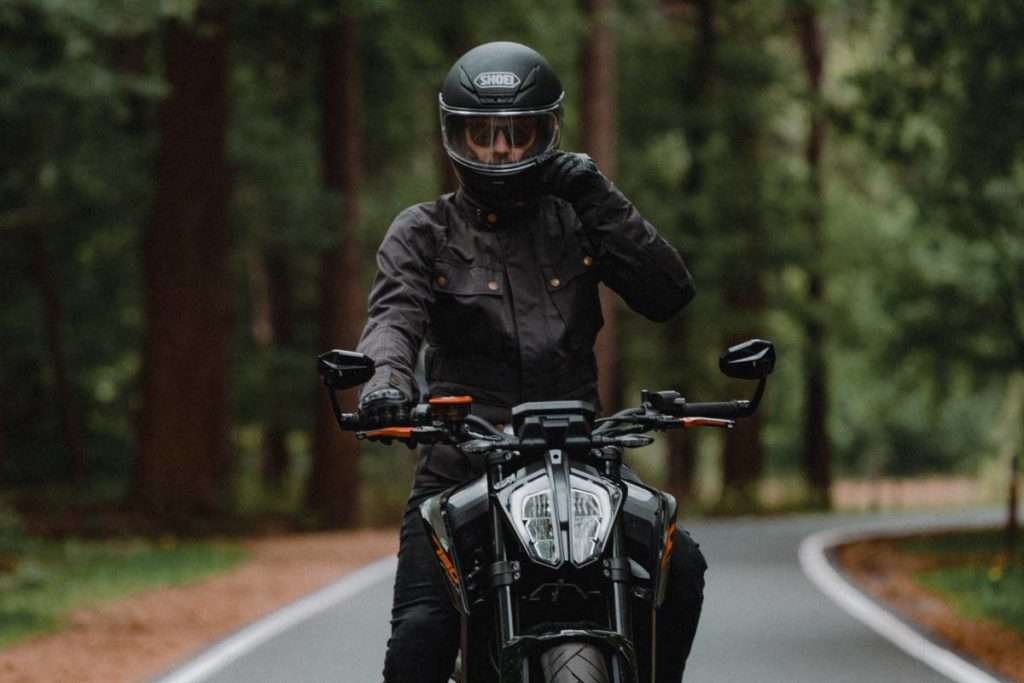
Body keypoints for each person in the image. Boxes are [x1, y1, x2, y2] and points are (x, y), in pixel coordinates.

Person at [355, 41, 706, 682]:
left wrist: (595, 194)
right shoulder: (423, 231)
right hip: (460, 469)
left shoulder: (577, 220)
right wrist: (385, 383)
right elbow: (392, 319)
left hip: (584, 465)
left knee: (678, 565)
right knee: (421, 633)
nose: (502, 151)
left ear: (547, 132)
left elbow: (668, 294)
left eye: (518, 134)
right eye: (483, 135)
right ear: (454, 137)